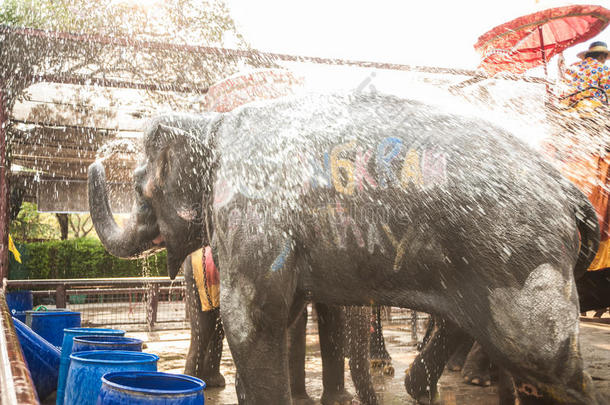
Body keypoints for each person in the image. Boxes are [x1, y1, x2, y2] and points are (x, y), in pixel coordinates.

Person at [559, 41, 610, 111]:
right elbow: (608, 93)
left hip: (566, 106)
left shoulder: (573, 66)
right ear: (601, 56)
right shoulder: (604, 69)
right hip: (589, 109)